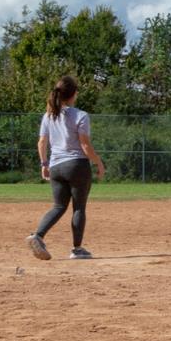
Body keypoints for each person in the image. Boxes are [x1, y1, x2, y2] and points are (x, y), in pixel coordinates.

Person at [27, 76, 106, 261]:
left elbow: (42, 142)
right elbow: (85, 146)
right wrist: (98, 162)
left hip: (56, 166)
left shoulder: (48, 115)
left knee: (59, 206)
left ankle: (37, 235)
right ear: (73, 94)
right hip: (77, 165)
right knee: (78, 208)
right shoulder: (81, 115)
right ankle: (77, 250)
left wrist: (44, 164)